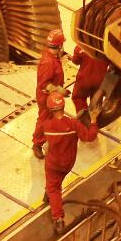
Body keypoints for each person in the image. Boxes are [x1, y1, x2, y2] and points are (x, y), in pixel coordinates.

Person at [34, 90, 99, 233]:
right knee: (56, 182)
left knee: (54, 188)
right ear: (63, 106)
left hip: (53, 164)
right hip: (68, 163)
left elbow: (40, 137)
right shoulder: (74, 124)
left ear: (50, 109)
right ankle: (49, 194)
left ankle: (58, 218)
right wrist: (93, 121)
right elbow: (89, 136)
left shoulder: (46, 125)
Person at [32, 28, 68, 134]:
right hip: (46, 98)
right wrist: (59, 90)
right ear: (60, 46)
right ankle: (38, 141)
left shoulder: (52, 56)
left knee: (50, 118)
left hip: (51, 95)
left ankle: (49, 134)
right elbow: (44, 84)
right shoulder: (48, 62)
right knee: (44, 119)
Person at [69, 44, 110, 116]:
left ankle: (84, 118)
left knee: (78, 98)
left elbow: (76, 61)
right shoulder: (108, 48)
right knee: (96, 103)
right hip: (100, 81)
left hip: (84, 79)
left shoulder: (81, 46)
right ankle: (95, 120)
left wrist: (72, 58)